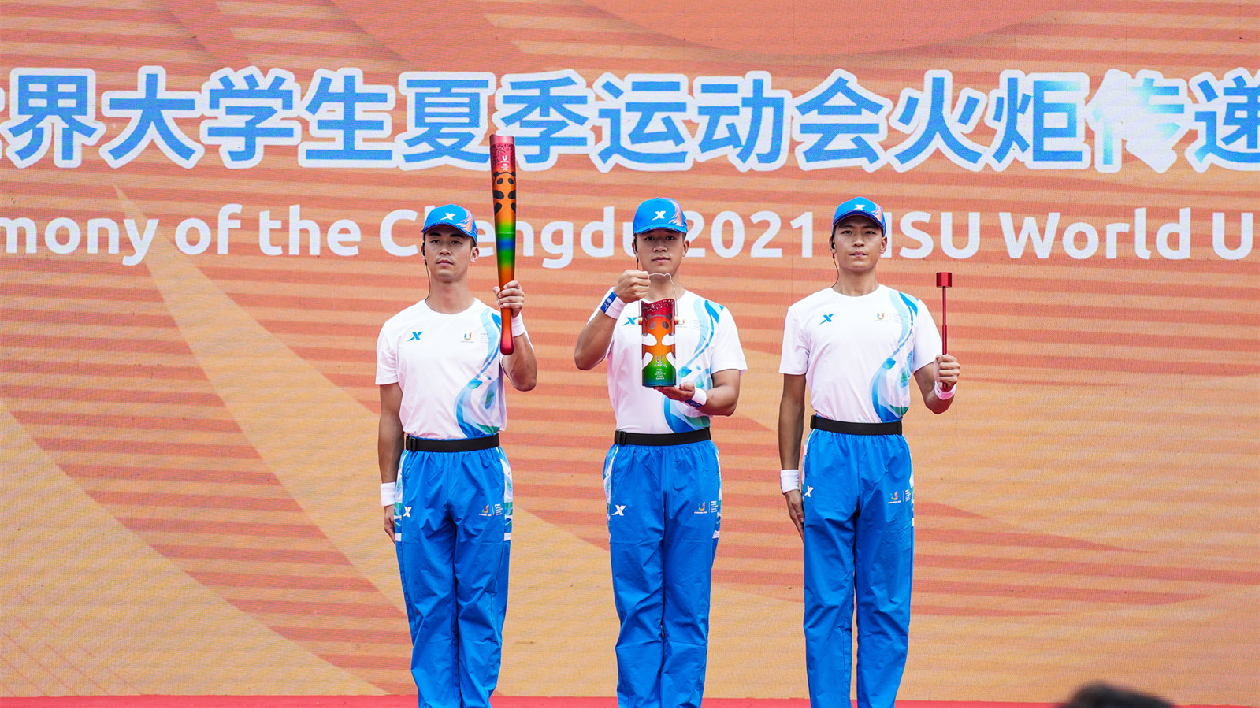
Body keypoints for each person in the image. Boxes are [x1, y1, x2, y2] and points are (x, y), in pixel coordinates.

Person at [777, 196, 961, 708]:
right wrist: (789, 480)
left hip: (886, 453)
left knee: (885, 599)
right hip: (829, 452)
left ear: (884, 243)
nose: (858, 241)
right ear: (831, 244)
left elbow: (933, 399)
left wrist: (945, 386)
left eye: (868, 232)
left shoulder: (910, 310)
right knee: (828, 600)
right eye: (848, 232)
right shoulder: (805, 312)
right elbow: (792, 402)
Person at [574, 197, 747, 708]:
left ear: (686, 245)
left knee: (688, 602)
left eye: (669, 239)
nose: (660, 248)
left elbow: (729, 398)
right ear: (635, 247)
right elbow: (582, 357)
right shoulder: (618, 309)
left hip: (691, 459)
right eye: (650, 239)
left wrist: (690, 395)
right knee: (639, 602)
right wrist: (612, 300)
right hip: (634, 463)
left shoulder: (713, 316)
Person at [376, 204, 537, 708]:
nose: (446, 249)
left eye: (456, 240)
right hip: (420, 469)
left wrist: (519, 320)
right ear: (422, 249)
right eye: (436, 240)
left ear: (474, 251)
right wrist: (387, 492)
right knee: (429, 604)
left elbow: (528, 379)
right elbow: (388, 418)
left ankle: (477, 701)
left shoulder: (495, 323)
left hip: (481, 467)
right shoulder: (398, 328)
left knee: (480, 602)